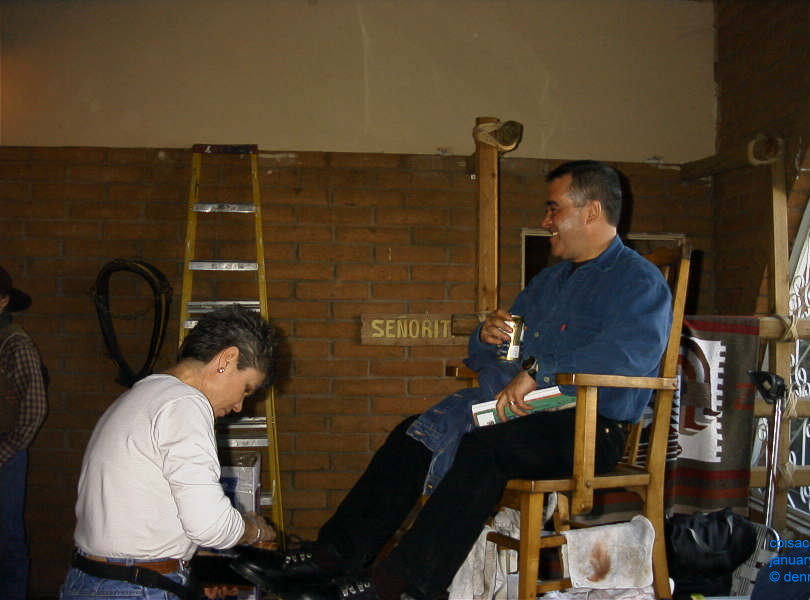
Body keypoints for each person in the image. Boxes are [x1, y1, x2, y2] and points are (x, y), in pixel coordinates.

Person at [238, 160, 673, 600]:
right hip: (523, 413)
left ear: (592, 212)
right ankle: (330, 559)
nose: (545, 221)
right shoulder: (549, 282)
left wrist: (539, 372)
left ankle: (399, 584)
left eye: (553, 209)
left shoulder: (638, 281)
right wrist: (486, 337)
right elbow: (501, 351)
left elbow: (626, 356)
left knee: (485, 447)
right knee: (415, 433)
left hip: (588, 426)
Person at [59, 304, 280, 600]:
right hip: (131, 589)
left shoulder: (143, 395)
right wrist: (255, 530)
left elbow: (143, 514)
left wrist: (188, 565)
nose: (240, 406)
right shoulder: (185, 404)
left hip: (95, 580)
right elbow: (210, 526)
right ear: (227, 359)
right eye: (246, 388)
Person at [0, 266, 49, 600]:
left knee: (6, 542)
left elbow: (33, 410)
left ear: (3, 301)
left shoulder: (14, 345)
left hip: (4, 458)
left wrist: (2, 454)